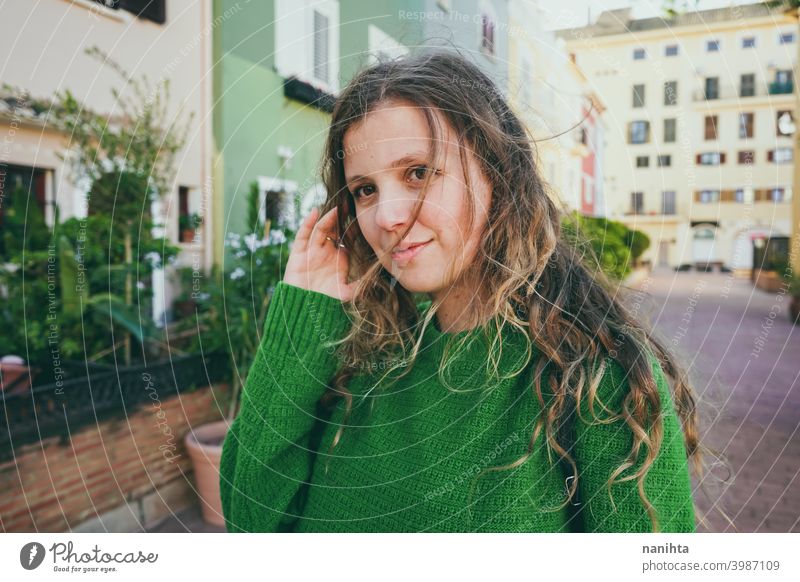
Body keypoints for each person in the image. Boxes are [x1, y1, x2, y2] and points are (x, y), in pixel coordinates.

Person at [219, 50, 703, 533]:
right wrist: (301, 315)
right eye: (365, 189)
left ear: (497, 171)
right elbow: (251, 523)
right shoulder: (362, 359)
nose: (387, 216)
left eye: (417, 172)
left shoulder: (597, 378)